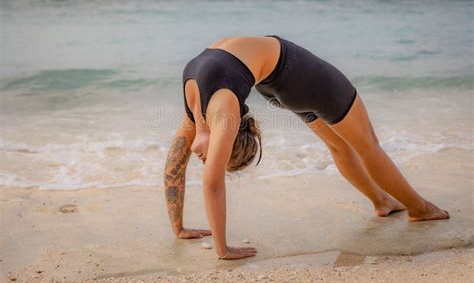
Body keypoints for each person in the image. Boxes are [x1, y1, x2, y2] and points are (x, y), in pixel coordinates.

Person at [163, 35, 449, 261]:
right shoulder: (218, 111)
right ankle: (417, 208)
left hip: (280, 83)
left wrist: (211, 242)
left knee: (341, 145)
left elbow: (203, 179)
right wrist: (189, 233)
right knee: (365, 145)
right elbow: (183, 172)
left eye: (214, 157)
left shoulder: (204, 112)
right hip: (295, 76)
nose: (206, 159)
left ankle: (384, 202)